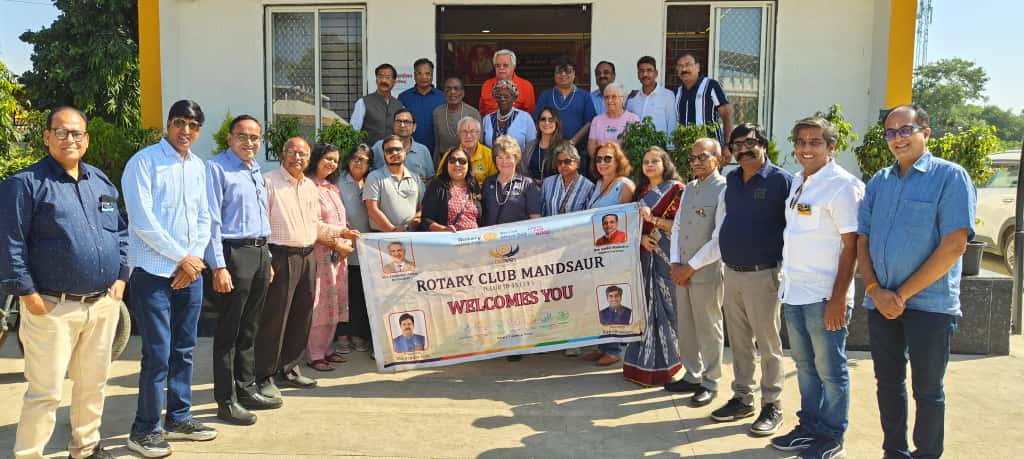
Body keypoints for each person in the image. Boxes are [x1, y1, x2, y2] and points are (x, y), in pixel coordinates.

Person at [2, 107, 128, 459]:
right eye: (61, 132)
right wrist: (29, 295)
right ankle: (29, 454)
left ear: (86, 139)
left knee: (92, 385)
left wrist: (121, 277)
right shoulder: (24, 184)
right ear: (46, 137)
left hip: (102, 306)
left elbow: (119, 232)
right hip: (52, 308)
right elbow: (10, 245)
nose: (69, 139)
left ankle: (85, 448)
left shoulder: (100, 182)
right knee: (46, 393)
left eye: (77, 133)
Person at [858, 105, 974, 459]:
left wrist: (901, 295)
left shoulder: (950, 177)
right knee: (888, 384)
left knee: (928, 390)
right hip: (881, 303)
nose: (897, 138)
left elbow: (955, 245)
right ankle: (894, 451)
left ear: (926, 132)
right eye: (890, 133)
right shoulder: (879, 181)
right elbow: (863, 240)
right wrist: (875, 290)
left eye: (905, 130)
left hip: (930, 305)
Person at [122, 99, 217, 457]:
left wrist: (192, 261)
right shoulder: (144, 162)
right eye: (179, 123)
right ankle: (144, 430)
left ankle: (179, 417)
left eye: (193, 126)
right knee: (158, 354)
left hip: (189, 274)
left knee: (185, 350)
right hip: (153, 273)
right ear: (168, 124)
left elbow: (205, 217)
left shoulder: (199, 167)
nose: (185, 131)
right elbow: (142, 221)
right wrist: (183, 258)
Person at [769, 117, 863, 459]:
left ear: (831, 147)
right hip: (794, 292)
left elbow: (852, 246)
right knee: (805, 367)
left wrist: (838, 298)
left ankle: (832, 436)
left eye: (815, 142)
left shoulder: (843, 185)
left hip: (824, 297)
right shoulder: (798, 181)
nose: (806, 148)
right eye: (801, 142)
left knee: (831, 371)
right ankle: (809, 427)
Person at [710, 123, 792, 437]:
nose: (743, 150)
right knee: (740, 342)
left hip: (764, 274)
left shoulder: (781, 180)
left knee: (768, 344)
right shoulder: (732, 179)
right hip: (732, 273)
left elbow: (793, 227)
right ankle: (742, 398)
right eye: (736, 145)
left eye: (749, 143)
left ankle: (772, 404)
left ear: (763, 144)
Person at [204, 115, 281, 427]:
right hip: (233, 253)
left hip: (259, 252)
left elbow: (261, 217)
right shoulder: (217, 168)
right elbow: (212, 220)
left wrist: (268, 257)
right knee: (229, 332)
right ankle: (226, 400)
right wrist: (218, 266)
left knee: (250, 328)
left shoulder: (254, 169)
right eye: (242, 136)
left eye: (255, 137)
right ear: (230, 138)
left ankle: (247, 390)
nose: (249, 142)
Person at [256, 137, 347, 398]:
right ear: (282, 154)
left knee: (302, 316)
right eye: (293, 152)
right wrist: (266, 259)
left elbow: (315, 224)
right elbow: (260, 225)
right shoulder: (268, 182)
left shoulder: (309, 186)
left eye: (303, 154)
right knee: (275, 318)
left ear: (308, 158)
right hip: (280, 256)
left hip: (308, 256)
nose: (298, 158)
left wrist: (341, 233)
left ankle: (289, 369)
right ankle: (264, 376)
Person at [664, 138, 727, 409]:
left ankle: (711, 382)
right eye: (693, 158)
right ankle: (692, 375)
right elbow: (678, 227)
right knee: (687, 326)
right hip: (682, 270)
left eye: (703, 157)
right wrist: (675, 263)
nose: (696, 162)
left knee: (708, 327)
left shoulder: (724, 189)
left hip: (705, 271)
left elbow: (720, 238)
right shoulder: (689, 188)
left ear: (717, 159)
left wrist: (690, 266)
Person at [623, 146, 685, 386]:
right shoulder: (640, 192)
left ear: (664, 164)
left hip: (667, 256)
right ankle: (641, 366)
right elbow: (628, 224)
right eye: (645, 162)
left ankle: (671, 363)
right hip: (643, 257)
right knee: (645, 309)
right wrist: (640, 238)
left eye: (654, 161)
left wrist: (652, 219)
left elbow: (680, 225)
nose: (649, 165)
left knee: (670, 309)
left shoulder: (677, 190)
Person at [481, 135, 542, 362]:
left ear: (516, 158)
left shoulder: (527, 185)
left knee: (517, 297)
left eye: (508, 157)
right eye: (499, 157)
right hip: (492, 251)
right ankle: (500, 338)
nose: (504, 161)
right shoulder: (488, 183)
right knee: (497, 296)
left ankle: (518, 342)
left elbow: (535, 218)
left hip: (519, 251)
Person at [305, 143, 360, 373]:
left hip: (338, 255)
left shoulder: (332, 188)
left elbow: (340, 220)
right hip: (320, 253)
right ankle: (315, 354)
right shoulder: (308, 186)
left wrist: (345, 242)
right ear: (316, 158)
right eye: (327, 158)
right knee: (320, 304)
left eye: (336, 160)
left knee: (335, 302)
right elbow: (313, 224)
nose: (332, 163)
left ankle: (327, 348)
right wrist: (338, 242)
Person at [583, 142, 636, 366]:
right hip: (598, 250)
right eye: (599, 159)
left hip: (616, 252)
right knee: (600, 297)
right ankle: (603, 345)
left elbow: (627, 220)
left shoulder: (624, 185)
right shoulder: (598, 184)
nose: (602, 163)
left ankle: (614, 349)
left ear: (618, 161)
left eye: (608, 158)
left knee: (614, 297)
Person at [337, 144, 374, 354]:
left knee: (361, 294)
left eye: (364, 159)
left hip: (368, 248)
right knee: (344, 293)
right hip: (344, 246)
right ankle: (343, 335)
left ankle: (358, 334)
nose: (359, 162)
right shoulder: (338, 180)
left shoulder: (372, 181)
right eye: (355, 158)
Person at [675, 53, 733, 162]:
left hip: (710, 151)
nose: (684, 69)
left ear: (697, 67)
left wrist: (727, 145)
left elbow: (726, 116)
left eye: (688, 65)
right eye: (680, 66)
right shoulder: (678, 92)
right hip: (685, 154)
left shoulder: (711, 86)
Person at [364, 135, 424, 233]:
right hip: (382, 237)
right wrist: (393, 231)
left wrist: (412, 224)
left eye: (398, 149)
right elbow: (372, 210)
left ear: (404, 151)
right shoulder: (374, 177)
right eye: (389, 150)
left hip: (411, 235)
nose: (394, 153)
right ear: (384, 154)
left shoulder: (416, 178)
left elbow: (423, 207)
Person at [534, 56, 596, 148]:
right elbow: (538, 120)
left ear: (574, 73)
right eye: (559, 71)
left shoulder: (584, 96)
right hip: (549, 148)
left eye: (567, 71)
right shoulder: (546, 95)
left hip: (577, 149)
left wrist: (573, 141)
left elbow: (590, 122)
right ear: (554, 74)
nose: (563, 74)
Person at [420, 147, 482, 232]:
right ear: (447, 164)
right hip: (449, 239)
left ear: (468, 165)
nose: (457, 164)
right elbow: (426, 220)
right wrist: (443, 229)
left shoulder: (473, 185)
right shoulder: (437, 186)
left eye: (462, 161)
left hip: (474, 238)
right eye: (452, 160)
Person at [398, 58, 446, 155]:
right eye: (419, 73)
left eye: (427, 73)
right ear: (414, 75)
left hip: (437, 151)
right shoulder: (404, 97)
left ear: (432, 75)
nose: (423, 77)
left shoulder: (443, 97)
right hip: (409, 151)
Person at [350, 63, 406, 146]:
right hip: (369, 152)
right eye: (380, 77)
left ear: (394, 82)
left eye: (388, 77)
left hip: (392, 151)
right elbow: (354, 132)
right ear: (376, 80)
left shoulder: (400, 106)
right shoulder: (363, 102)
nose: (383, 81)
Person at [371, 109, 434, 181]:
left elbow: (430, 178)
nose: (402, 125)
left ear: (414, 127)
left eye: (406, 122)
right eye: (398, 121)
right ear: (393, 125)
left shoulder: (423, 151)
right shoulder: (379, 147)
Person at [587, 83, 640, 167]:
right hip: (601, 166)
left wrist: (617, 164)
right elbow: (591, 146)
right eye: (606, 97)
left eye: (614, 97)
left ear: (623, 99)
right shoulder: (597, 120)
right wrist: (601, 162)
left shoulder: (633, 119)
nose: (609, 100)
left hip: (623, 167)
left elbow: (634, 148)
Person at [625, 56, 677, 137]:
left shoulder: (667, 96)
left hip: (660, 144)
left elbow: (672, 125)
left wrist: (670, 144)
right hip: (635, 144)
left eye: (649, 70)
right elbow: (627, 124)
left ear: (656, 73)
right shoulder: (632, 99)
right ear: (638, 75)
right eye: (641, 71)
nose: (645, 74)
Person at [436, 117, 495, 188]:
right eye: (464, 132)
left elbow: (494, 183)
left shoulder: (489, 154)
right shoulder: (450, 155)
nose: (468, 136)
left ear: (479, 134)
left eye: (472, 131)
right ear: (459, 135)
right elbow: (439, 181)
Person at [432, 77, 482, 162]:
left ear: (462, 93)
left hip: (467, 160)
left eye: (456, 88)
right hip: (444, 160)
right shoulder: (437, 113)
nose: (452, 92)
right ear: (444, 93)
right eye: (448, 89)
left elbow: (479, 141)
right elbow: (437, 143)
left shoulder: (473, 113)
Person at [540, 142, 595, 217]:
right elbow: (542, 212)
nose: (563, 165)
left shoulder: (588, 187)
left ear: (578, 163)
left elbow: (589, 216)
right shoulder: (548, 183)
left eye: (567, 161)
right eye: (559, 162)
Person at [482, 79, 537, 154]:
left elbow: (532, 146)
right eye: (499, 96)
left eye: (506, 96)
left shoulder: (525, 118)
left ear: (514, 98)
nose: (502, 99)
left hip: (519, 161)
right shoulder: (487, 119)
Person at [479, 49, 536, 116]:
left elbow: (529, 115)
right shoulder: (486, 85)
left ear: (513, 66)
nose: (501, 68)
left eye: (505, 65)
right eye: (498, 65)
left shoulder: (526, 86)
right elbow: (482, 113)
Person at [524, 108, 568, 184]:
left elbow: (567, 175)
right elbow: (523, 172)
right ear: (538, 123)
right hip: (531, 188)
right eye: (543, 119)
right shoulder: (530, 146)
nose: (546, 123)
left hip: (556, 189)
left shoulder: (565, 147)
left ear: (557, 123)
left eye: (551, 120)